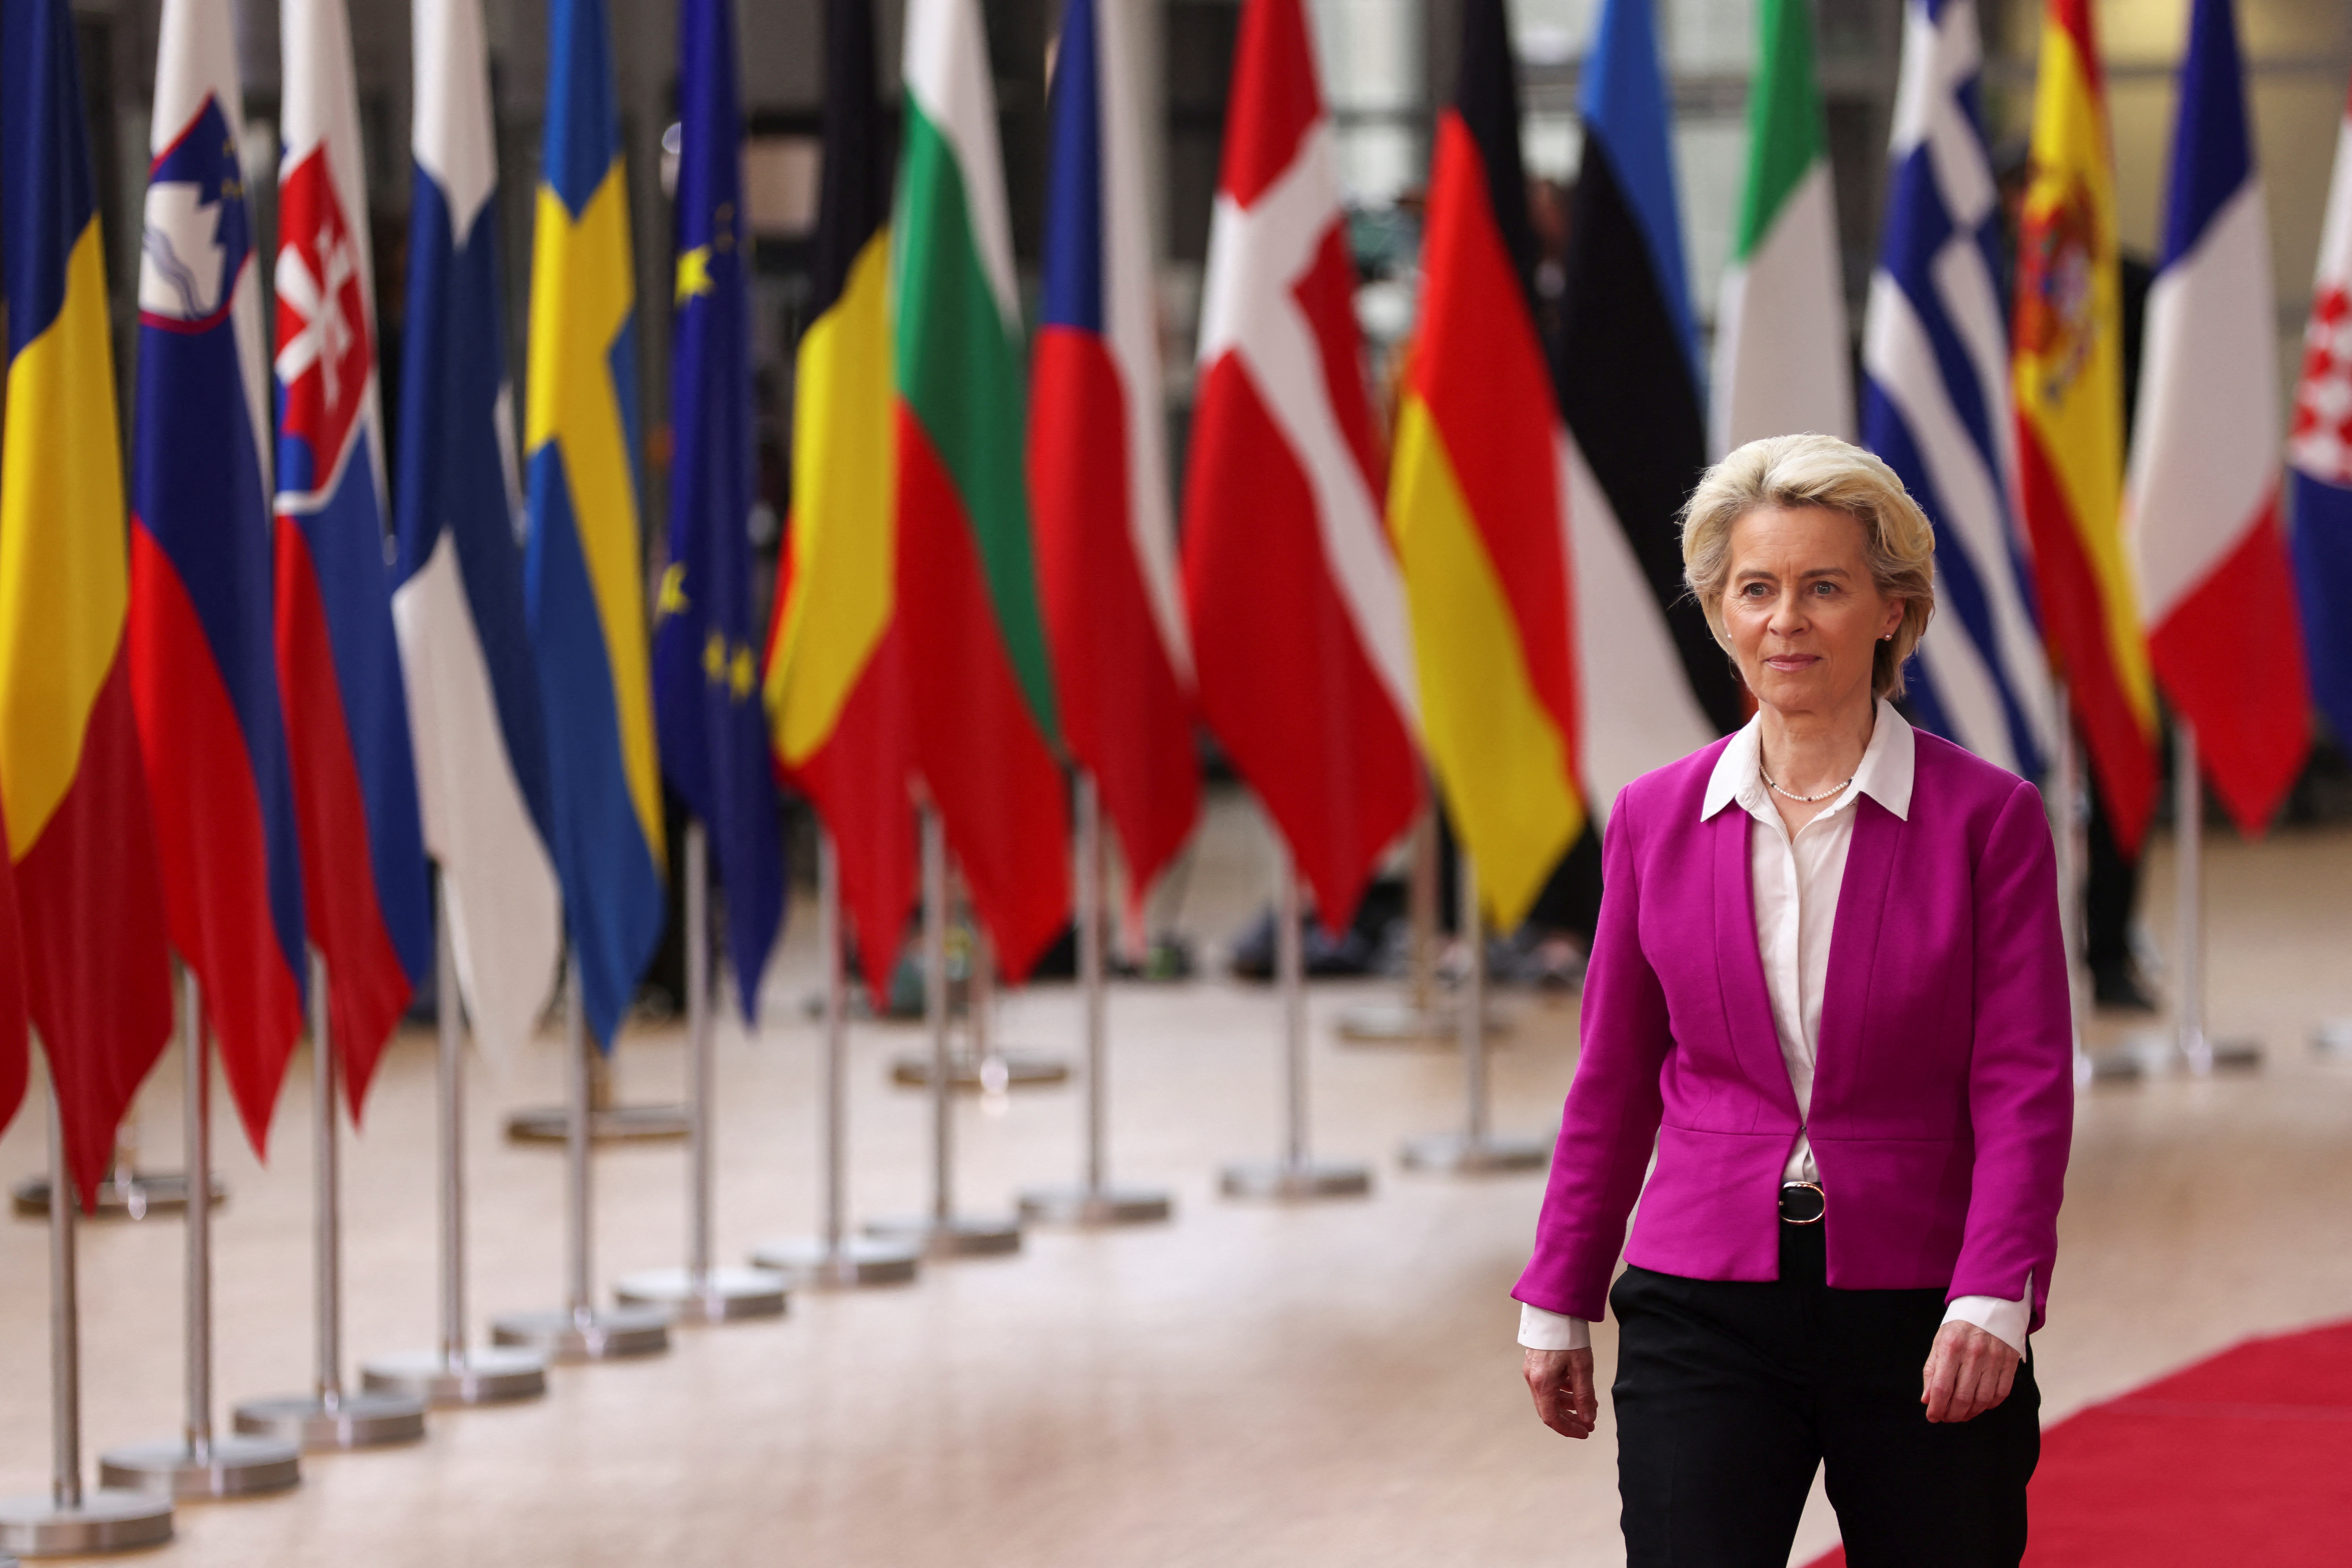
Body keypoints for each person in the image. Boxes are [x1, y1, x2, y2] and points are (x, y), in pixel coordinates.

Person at [1514, 434, 2074, 1567]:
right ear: (1721, 612)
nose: (1787, 620)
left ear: (1891, 611)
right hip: (1701, 1301)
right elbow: (1614, 1077)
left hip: (1927, 1302)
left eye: (1825, 588)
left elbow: (2023, 1085)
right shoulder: (1651, 818)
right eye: (1756, 589)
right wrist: (1559, 1289)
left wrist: (1995, 1294)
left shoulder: (1990, 820)